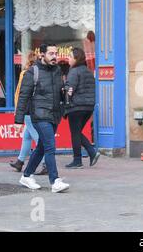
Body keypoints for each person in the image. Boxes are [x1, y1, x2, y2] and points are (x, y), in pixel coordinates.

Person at [15, 43, 70, 193]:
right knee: (50, 146)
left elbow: (59, 92)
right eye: (51, 54)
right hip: (39, 115)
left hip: (54, 115)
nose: (54, 57)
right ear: (42, 55)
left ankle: (26, 176)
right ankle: (55, 181)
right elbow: (23, 97)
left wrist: (66, 92)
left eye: (56, 53)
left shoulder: (57, 71)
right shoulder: (32, 72)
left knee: (41, 147)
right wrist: (18, 120)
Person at [9, 51, 47, 174]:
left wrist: (17, 109)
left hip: (27, 110)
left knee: (38, 138)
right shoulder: (41, 74)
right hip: (37, 109)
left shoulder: (25, 73)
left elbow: (19, 93)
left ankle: (45, 163)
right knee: (27, 137)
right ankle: (20, 162)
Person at [64, 47, 100, 168]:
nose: (68, 59)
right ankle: (91, 153)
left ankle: (78, 160)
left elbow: (69, 89)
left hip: (76, 107)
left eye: (70, 56)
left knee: (75, 133)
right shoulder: (88, 71)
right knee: (77, 132)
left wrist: (64, 94)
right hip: (88, 107)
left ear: (76, 58)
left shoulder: (74, 71)